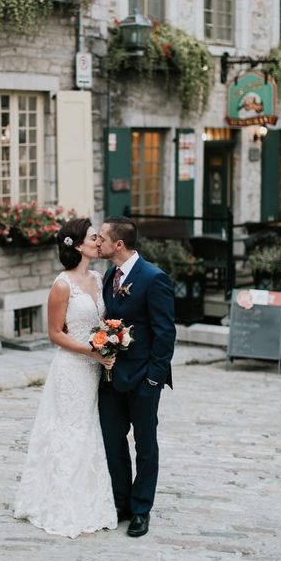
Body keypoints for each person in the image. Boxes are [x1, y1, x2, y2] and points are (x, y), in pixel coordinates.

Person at [13, 218, 117, 538]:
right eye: (92, 237)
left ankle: (91, 501)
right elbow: (55, 334)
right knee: (70, 429)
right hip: (72, 368)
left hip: (95, 366)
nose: (98, 240)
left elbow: (107, 321)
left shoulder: (100, 279)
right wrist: (91, 352)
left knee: (89, 430)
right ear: (78, 245)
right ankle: (62, 503)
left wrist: (111, 342)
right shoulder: (62, 285)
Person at [97, 216, 176, 538]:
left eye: (101, 237)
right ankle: (122, 503)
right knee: (113, 443)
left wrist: (154, 380)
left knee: (145, 446)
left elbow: (165, 333)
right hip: (111, 377)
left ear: (118, 244)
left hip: (144, 378)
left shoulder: (153, 278)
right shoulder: (108, 275)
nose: (96, 241)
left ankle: (142, 509)